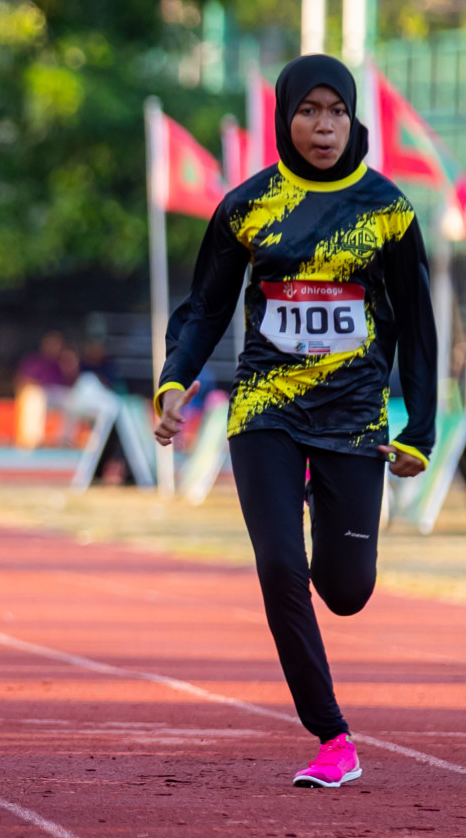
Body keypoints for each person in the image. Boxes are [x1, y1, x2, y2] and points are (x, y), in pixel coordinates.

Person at [154, 54, 434, 789]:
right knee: (280, 566)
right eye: (308, 111)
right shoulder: (247, 206)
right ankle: (332, 737)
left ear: (353, 118)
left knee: (345, 590)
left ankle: (325, 507)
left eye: (335, 111)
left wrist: (419, 434)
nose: (323, 125)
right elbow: (207, 305)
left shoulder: (389, 211)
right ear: (285, 119)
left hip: (352, 417)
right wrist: (174, 380)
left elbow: (420, 328)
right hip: (265, 409)